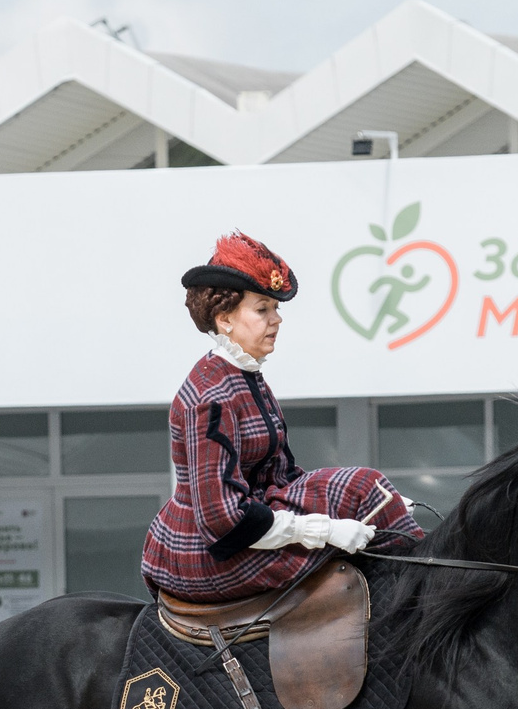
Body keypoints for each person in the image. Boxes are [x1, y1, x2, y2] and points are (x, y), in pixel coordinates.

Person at [143, 232, 420, 603]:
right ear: (224, 318)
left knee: (366, 488)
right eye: (263, 310)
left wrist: (375, 503)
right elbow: (222, 521)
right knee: (358, 514)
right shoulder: (210, 397)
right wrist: (324, 530)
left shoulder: (246, 374)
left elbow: (284, 477)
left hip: (251, 519)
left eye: (275, 309)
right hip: (208, 550)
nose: (277, 319)